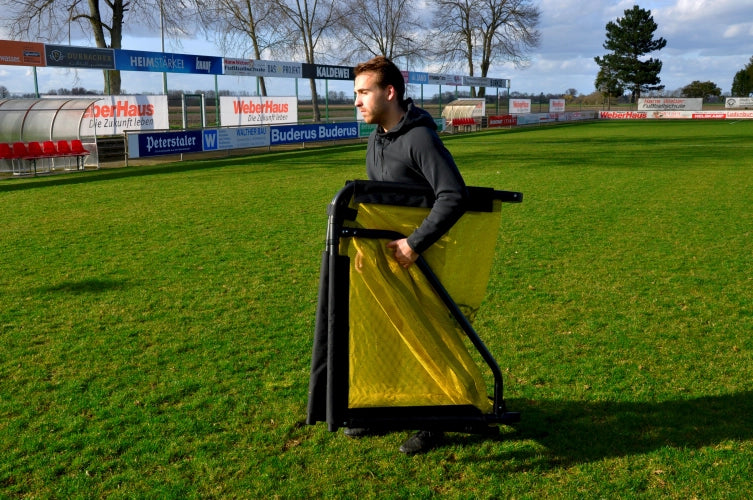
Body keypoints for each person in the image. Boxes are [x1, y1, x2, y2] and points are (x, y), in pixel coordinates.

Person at [348, 55, 470, 454]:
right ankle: (385, 409)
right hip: (385, 256)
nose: (357, 101)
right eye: (355, 94)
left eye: (363, 92)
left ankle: (434, 421)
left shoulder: (420, 138)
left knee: (429, 336)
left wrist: (414, 243)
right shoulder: (377, 137)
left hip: (423, 257)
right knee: (393, 334)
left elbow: (454, 195)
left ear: (389, 92)